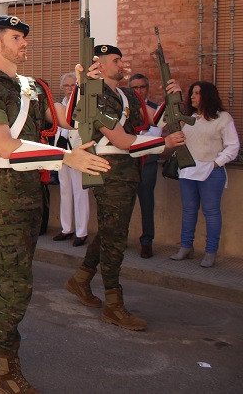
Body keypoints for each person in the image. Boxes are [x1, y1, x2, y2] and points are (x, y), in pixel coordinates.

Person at [0, 16, 110, 394]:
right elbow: (5, 145)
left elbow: (65, 125)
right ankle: (7, 370)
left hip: (30, 190)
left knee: (10, 269)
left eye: (25, 37)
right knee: (17, 280)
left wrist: (87, 87)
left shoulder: (31, 87)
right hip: (3, 193)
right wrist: (64, 158)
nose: (24, 43)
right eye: (16, 37)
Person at [64, 45, 184, 332]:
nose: (122, 64)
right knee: (115, 239)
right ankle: (114, 306)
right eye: (116, 60)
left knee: (110, 230)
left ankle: (80, 280)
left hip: (129, 168)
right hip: (109, 168)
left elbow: (149, 123)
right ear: (101, 66)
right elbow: (121, 140)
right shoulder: (95, 97)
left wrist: (172, 98)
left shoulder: (127, 94)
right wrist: (162, 144)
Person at [169, 81, 239, 268]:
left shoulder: (223, 118)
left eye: (197, 93)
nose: (193, 96)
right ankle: (186, 247)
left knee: (211, 212)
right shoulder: (188, 117)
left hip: (211, 172)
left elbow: (233, 146)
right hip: (187, 171)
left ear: (208, 96)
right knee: (189, 210)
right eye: (192, 92)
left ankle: (210, 252)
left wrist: (217, 163)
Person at [51, 72, 90, 246]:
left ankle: (82, 233)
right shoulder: (59, 105)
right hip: (62, 153)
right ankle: (66, 229)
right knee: (65, 190)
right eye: (66, 86)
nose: (69, 89)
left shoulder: (83, 105)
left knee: (80, 192)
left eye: (72, 85)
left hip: (78, 152)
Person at [128, 73, 161, 258]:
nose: (138, 91)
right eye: (134, 88)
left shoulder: (155, 109)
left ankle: (147, 241)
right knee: (124, 202)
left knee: (147, 202)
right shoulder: (125, 109)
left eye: (142, 87)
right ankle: (120, 238)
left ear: (147, 89)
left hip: (148, 162)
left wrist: (131, 139)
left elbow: (154, 136)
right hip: (128, 162)